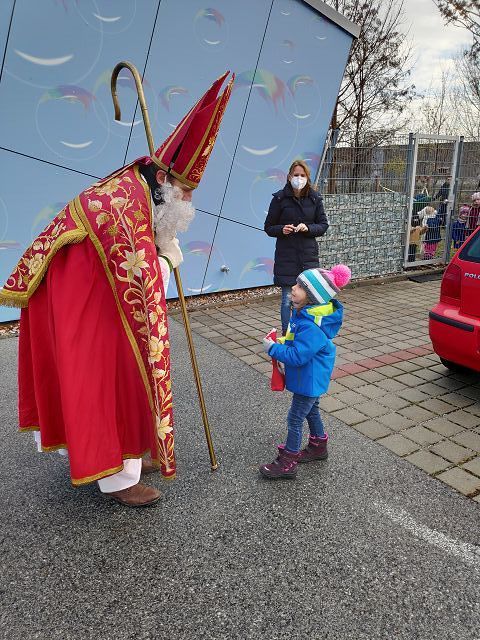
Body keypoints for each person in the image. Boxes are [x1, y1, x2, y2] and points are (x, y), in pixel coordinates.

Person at [0, 71, 234, 507]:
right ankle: (117, 476)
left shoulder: (138, 187)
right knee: (108, 376)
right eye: (185, 192)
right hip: (83, 304)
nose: (188, 202)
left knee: (128, 369)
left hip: (93, 295)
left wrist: (160, 243)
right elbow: (143, 287)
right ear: (164, 181)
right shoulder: (125, 207)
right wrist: (167, 258)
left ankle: (132, 450)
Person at [259, 264, 351, 479]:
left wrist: (272, 349)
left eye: (300, 286)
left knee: (295, 418)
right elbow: (299, 344)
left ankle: (288, 463)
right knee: (312, 410)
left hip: (309, 380)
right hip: (310, 377)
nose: (293, 287)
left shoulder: (311, 325)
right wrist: (283, 342)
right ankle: (318, 446)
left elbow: (298, 356)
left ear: (312, 296)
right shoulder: (306, 315)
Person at [264, 160, 329, 335]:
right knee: (287, 300)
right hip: (286, 256)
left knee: (309, 299)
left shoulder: (315, 198)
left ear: (307, 177)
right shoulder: (279, 199)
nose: (299, 178)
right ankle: (287, 337)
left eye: (302, 175)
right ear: (289, 177)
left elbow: (323, 225)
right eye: (296, 175)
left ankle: (306, 334)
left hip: (308, 256)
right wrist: (282, 229)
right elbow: (268, 227)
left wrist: (308, 228)